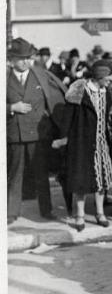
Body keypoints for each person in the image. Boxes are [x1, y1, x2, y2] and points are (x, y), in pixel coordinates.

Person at [52, 60, 112, 231]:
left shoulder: (106, 92)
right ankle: (80, 215)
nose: (110, 81)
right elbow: (67, 118)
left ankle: (100, 213)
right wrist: (63, 139)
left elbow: (110, 111)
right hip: (82, 143)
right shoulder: (80, 92)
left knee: (101, 180)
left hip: (101, 143)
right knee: (81, 182)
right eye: (107, 77)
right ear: (99, 76)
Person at [7, 37, 66, 225]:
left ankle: (46, 210)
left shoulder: (41, 75)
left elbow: (56, 98)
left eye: (28, 58)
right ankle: (11, 212)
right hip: (15, 134)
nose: (26, 62)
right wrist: (11, 107)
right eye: (21, 58)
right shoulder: (4, 77)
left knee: (41, 173)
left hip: (39, 134)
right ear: (11, 59)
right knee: (15, 173)